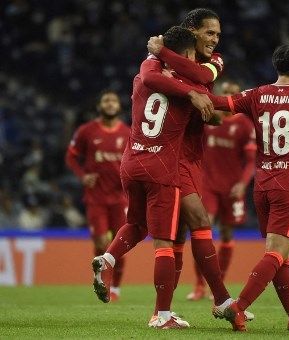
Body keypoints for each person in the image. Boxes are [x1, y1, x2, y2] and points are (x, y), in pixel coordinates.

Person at [90, 26, 217, 329]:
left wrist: (156, 53)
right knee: (165, 241)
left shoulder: (144, 73)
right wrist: (199, 96)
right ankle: (162, 316)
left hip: (130, 163)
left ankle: (106, 259)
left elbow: (150, 74)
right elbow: (213, 112)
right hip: (162, 168)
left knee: (137, 224)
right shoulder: (188, 86)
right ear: (187, 54)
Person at [215, 45, 289, 331]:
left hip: (262, 185)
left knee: (281, 256)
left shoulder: (256, 95)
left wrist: (189, 91)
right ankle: (239, 307)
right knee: (277, 253)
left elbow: (223, 103)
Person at [146, 8, 254, 322]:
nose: (214, 40)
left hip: (189, 160)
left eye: (218, 34)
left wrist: (164, 54)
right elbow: (149, 78)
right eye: (209, 33)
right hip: (168, 158)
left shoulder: (211, 62)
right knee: (193, 225)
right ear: (192, 30)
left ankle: (167, 310)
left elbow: (205, 81)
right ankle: (217, 301)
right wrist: (191, 94)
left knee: (180, 234)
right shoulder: (158, 64)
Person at [187, 81, 256, 301]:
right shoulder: (209, 118)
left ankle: (219, 282)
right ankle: (199, 285)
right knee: (202, 230)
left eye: (232, 93)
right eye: (224, 92)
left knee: (226, 233)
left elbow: (252, 161)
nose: (228, 95)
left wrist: (243, 184)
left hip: (232, 188)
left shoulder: (245, 125)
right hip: (207, 185)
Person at [66, 90, 130, 301]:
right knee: (102, 242)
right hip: (96, 198)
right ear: (100, 106)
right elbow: (71, 157)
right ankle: (101, 280)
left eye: (113, 100)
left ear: (119, 107)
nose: (110, 104)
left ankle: (116, 288)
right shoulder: (86, 131)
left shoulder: (128, 133)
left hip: (121, 198)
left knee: (119, 244)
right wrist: (83, 176)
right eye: (106, 100)